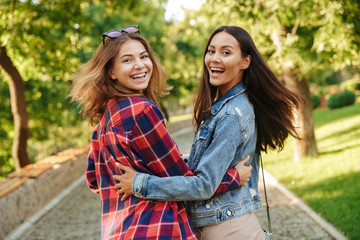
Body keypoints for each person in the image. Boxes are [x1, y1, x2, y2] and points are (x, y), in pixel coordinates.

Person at [114, 25, 301, 240]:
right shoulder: (227, 105)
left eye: (226, 52)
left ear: (245, 62)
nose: (214, 58)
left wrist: (139, 184)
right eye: (211, 51)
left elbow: (204, 185)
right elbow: (203, 164)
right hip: (226, 226)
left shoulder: (231, 115)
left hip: (227, 229)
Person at [68, 25, 252, 240]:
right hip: (154, 230)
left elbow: (93, 180)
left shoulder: (105, 116)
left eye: (143, 56)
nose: (139, 65)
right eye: (127, 60)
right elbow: (185, 181)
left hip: (116, 232)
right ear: (111, 71)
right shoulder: (142, 111)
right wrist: (234, 177)